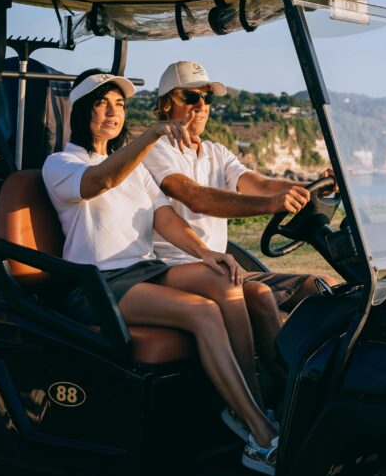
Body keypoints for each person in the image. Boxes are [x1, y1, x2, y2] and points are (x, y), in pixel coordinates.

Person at [42, 69, 279, 476]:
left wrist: (207, 254)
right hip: (98, 284)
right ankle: (259, 434)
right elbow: (102, 178)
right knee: (202, 313)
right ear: (80, 112)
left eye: (119, 105)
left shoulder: (135, 167)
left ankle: (251, 407)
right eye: (101, 104)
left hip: (144, 270)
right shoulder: (61, 163)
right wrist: (151, 135)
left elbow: (165, 219)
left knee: (228, 283)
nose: (112, 113)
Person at [141, 61, 335, 400]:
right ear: (168, 101)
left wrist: (309, 188)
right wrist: (271, 204)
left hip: (222, 269)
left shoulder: (215, 151)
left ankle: (326, 377)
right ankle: (279, 391)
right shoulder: (154, 150)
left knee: (322, 287)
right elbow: (195, 197)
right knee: (259, 295)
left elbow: (257, 183)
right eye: (191, 97)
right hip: (179, 271)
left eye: (207, 99)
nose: (201, 107)